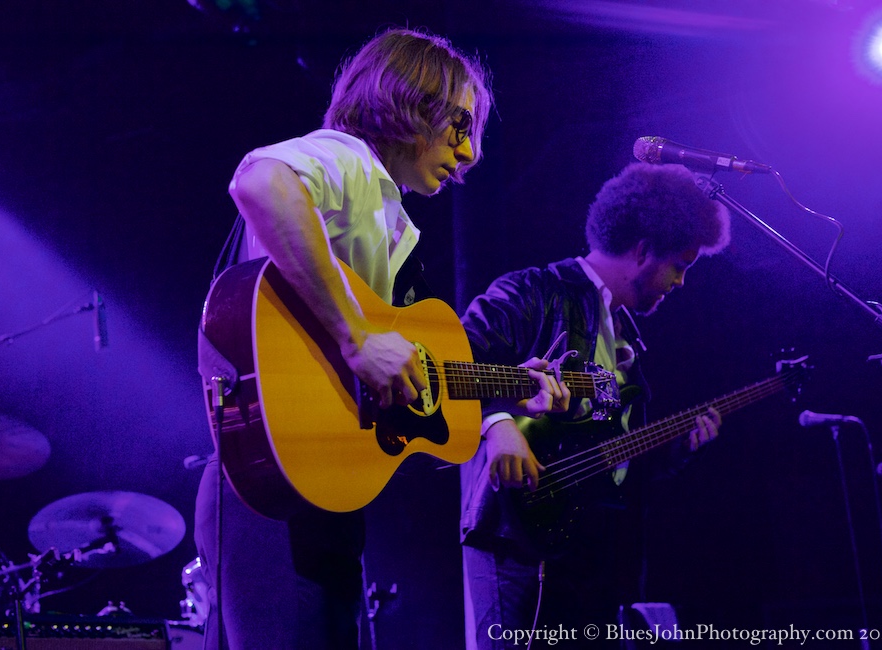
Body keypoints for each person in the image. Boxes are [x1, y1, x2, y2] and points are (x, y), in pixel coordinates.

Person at [194, 27, 567, 649]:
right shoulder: (349, 160)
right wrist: (358, 335)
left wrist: (507, 397)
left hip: (312, 491)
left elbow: (421, 378)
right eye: (459, 125)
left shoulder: (387, 219)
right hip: (271, 488)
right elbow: (260, 182)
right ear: (409, 104)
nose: (470, 152)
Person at [459, 161, 732, 649]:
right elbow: (450, 360)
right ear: (644, 250)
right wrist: (497, 422)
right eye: (680, 265)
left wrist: (677, 450)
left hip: (589, 553)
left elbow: (611, 457)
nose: (681, 282)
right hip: (517, 534)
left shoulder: (627, 337)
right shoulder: (534, 292)